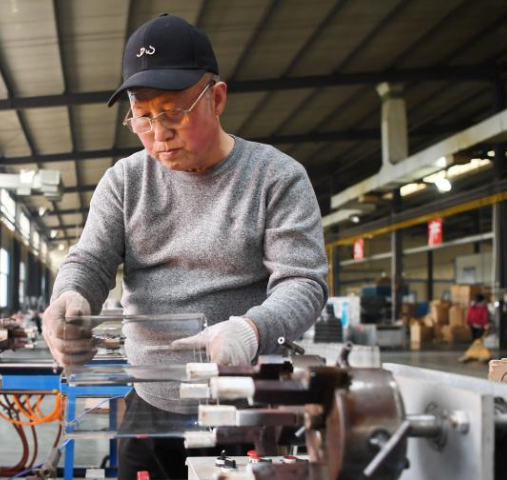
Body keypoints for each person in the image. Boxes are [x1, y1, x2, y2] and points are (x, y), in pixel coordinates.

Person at [42, 13, 328, 479]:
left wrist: (249, 332)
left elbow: (304, 283)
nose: (159, 132)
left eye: (173, 111)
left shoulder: (275, 177)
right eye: (142, 117)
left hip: (247, 407)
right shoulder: (124, 182)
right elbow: (90, 260)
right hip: (150, 404)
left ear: (216, 98)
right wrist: (70, 297)